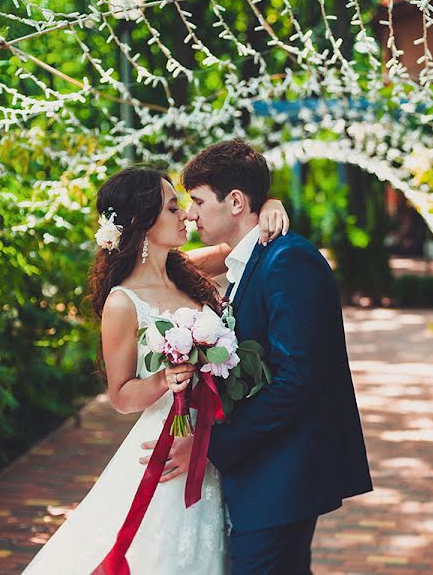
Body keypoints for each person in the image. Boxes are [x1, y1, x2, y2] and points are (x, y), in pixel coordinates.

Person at [23, 166, 289, 574]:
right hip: (167, 443)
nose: (186, 215)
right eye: (172, 208)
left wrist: (269, 203)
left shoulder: (190, 270)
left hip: (215, 438)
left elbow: (245, 237)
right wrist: (163, 380)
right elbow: (120, 396)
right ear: (143, 223)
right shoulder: (122, 303)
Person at [146, 139, 372, 574]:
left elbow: (297, 381)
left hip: (281, 477)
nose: (190, 213)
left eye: (195, 201)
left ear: (234, 201)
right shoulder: (250, 261)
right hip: (262, 473)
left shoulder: (289, 261)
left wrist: (208, 446)